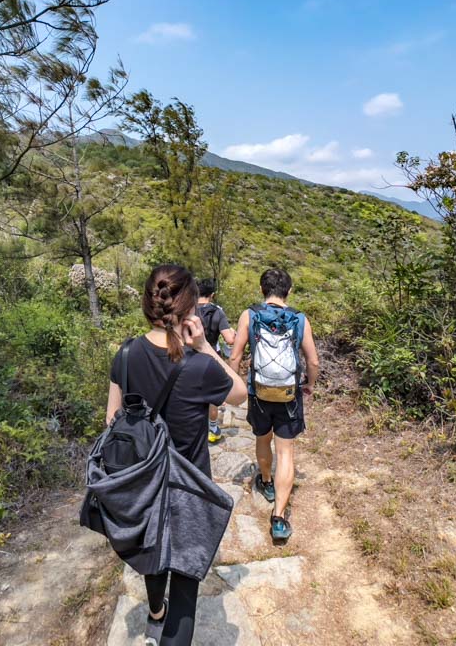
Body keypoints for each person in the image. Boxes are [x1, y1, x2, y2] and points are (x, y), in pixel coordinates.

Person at [106, 264, 247, 646]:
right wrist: (203, 346)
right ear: (189, 310)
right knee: (185, 594)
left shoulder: (126, 353)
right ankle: (167, 624)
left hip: (143, 485)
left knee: (153, 554)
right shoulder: (199, 366)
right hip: (189, 489)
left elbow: (111, 421)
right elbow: (239, 394)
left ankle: (154, 613)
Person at [229, 268, 319, 542]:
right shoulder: (300, 319)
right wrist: (310, 384)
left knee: (261, 439)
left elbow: (236, 356)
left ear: (262, 290)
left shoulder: (250, 315)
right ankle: (279, 518)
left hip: (259, 393)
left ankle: (266, 482)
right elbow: (313, 362)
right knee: (286, 453)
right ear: (288, 292)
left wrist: (235, 383)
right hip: (289, 396)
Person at [196, 278, 236, 443]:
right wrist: (233, 333)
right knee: (212, 396)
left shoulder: (187, 310)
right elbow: (229, 339)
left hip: (189, 357)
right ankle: (212, 428)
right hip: (211, 357)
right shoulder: (217, 312)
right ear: (212, 295)